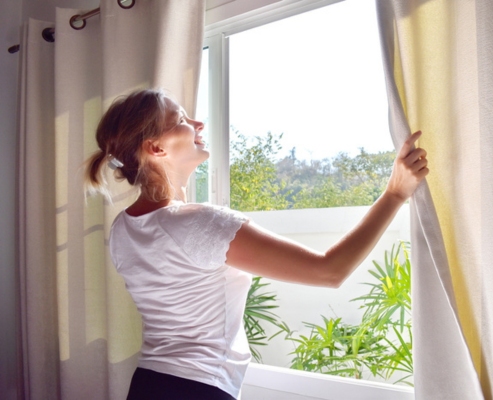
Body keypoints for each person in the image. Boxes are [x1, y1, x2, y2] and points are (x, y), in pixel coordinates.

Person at [84, 88, 428, 400]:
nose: (198, 123)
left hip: (148, 385)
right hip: (197, 390)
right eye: (182, 120)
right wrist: (395, 193)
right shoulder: (199, 223)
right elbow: (329, 271)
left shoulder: (122, 231)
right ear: (156, 148)